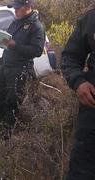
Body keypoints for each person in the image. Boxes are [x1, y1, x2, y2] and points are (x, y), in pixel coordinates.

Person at [0, 0, 45, 129]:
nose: (15, 10)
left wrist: (14, 46)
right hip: (6, 67)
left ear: (27, 7)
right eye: (14, 8)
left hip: (20, 70)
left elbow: (37, 51)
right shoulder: (15, 22)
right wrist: (2, 40)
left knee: (12, 103)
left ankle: (9, 136)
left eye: (17, 8)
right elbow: (9, 40)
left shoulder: (36, 27)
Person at [61, 8, 95, 180]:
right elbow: (70, 57)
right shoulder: (91, 19)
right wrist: (78, 82)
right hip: (92, 110)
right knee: (83, 169)